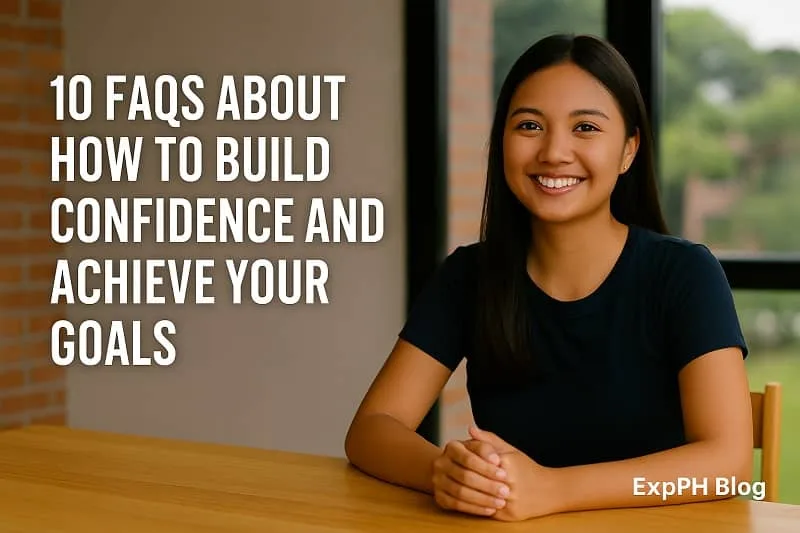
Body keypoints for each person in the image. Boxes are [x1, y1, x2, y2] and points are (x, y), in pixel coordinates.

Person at [344, 33, 752, 522]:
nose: (555, 152)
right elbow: (372, 427)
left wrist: (555, 490)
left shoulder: (685, 275)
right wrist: (444, 473)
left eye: (585, 128)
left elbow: (727, 465)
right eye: (530, 125)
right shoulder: (470, 276)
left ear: (628, 150)